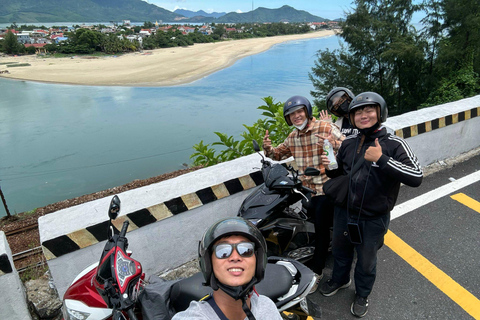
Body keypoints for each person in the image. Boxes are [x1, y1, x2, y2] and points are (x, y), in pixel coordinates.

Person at [319, 92, 423, 317]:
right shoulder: (348, 144)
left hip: (373, 218)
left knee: (366, 261)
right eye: (357, 111)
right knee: (340, 251)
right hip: (343, 212)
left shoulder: (394, 144)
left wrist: (382, 159)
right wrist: (330, 166)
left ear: (380, 112)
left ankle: (362, 294)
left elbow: (416, 176)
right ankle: (340, 280)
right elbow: (341, 173)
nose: (363, 115)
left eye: (369, 110)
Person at [262, 95, 343, 290]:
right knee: (309, 220)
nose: (297, 116)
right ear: (288, 119)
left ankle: (317, 270)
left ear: (307, 111)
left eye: (299, 112)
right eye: (292, 114)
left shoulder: (324, 128)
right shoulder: (292, 138)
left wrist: (334, 144)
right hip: (307, 188)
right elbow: (278, 154)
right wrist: (267, 150)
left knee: (321, 230)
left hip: (327, 187)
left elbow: (345, 145)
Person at [172, 217, 282, 320]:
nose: (235, 257)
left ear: (258, 261)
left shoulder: (266, 307)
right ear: (208, 263)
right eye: (223, 251)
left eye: (246, 250)